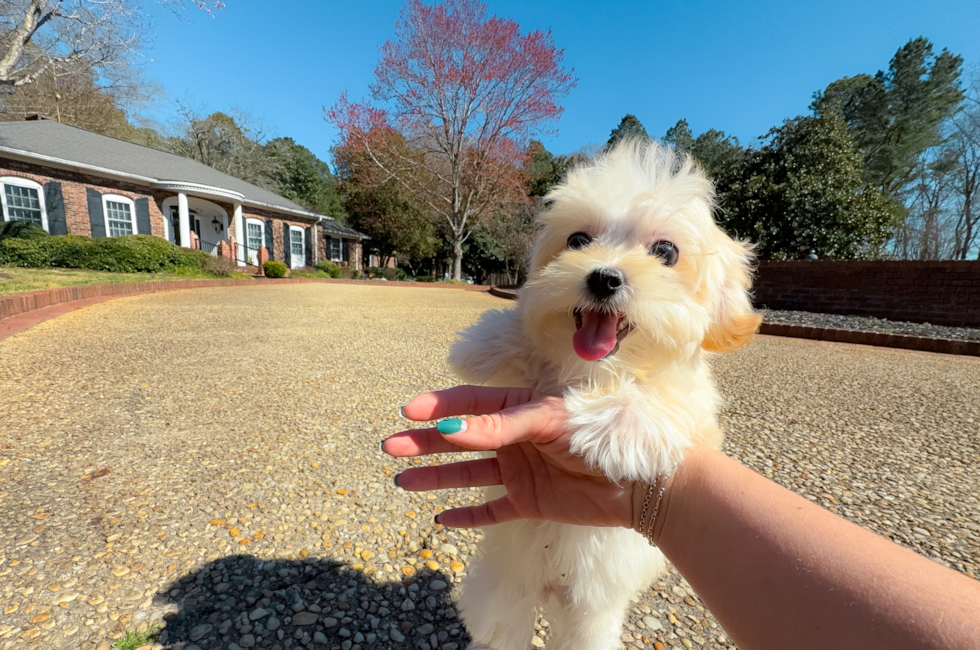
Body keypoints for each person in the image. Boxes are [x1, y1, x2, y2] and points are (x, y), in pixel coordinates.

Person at [380, 385, 980, 650]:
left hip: (615, 528)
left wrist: (663, 487)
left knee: (596, 611)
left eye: (663, 250)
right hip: (546, 508)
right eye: (580, 242)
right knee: (506, 597)